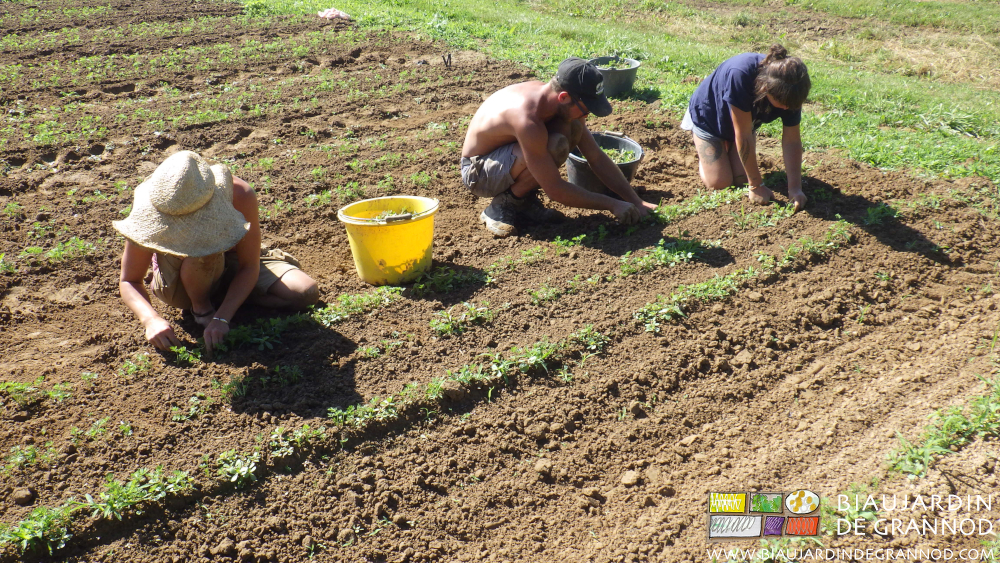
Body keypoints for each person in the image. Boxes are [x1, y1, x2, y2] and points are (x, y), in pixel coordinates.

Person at [114, 151, 319, 354]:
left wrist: (222, 318)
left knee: (304, 293)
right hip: (180, 283)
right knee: (202, 251)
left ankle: (226, 300)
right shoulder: (149, 210)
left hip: (230, 259)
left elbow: (249, 265)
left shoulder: (239, 194)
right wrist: (151, 320)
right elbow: (129, 280)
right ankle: (202, 308)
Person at [461, 57, 657, 237]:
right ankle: (503, 204)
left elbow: (595, 157)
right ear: (564, 97)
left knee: (569, 130)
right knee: (554, 145)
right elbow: (554, 189)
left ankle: (523, 201)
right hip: (478, 172)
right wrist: (612, 204)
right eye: (586, 108)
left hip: (508, 158)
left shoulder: (558, 102)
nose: (586, 116)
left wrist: (635, 201)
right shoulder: (526, 118)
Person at [682, 44, 811, 211]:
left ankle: (726, 152)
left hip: (745, 124)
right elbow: (742, 134)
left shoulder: (793, 90)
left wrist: (795, 189)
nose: (787, 109)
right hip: (709, 118)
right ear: (766, 90)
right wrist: (756, 185)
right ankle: (708, 145)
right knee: (720, 183)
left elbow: (792, 141)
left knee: (741, 178)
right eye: (783, 104)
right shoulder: (741, 75)